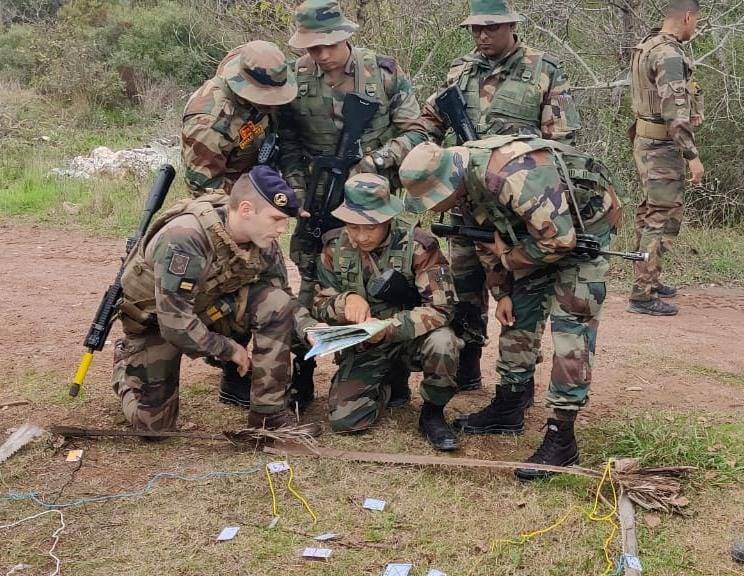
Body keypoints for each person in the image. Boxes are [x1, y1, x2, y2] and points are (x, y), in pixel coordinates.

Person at [400, 137, 622, 478]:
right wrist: (503, 289)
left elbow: (560, 241)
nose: (433, 208)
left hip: (584, 230)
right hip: (535, 236)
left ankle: (562, 437)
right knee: (518, 313)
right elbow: (487, 238)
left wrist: (511, 257)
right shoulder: (465, 184)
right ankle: (510, 405)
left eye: (435, 198)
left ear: (451, 180)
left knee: (571, 328)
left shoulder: (511, 175)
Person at [420, 0, 581, 393]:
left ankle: (516, 385)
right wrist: (426, 152)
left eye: (491, 28)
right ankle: (467, 369)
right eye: (475, 29)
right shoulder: (461, 71)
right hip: (466, 204)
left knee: (520, 292)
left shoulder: (544, 70)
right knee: (464, 288)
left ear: (512, 26)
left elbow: (560, 146)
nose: (482, 36)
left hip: (519, 207)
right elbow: (431, 120)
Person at [279, 0, 428, 408]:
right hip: (319, 196)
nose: (321, 55)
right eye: (312, 48)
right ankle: (302, 372)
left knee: (390, 281)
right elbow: (288, 143)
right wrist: (295, 189)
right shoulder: (296, 78)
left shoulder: (382, 73)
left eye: (328, 45)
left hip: (373, 200)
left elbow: (417, 130)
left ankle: (391, 371)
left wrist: (376, 160)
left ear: (346, 35)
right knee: (311, 281)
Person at [112, 166, 320, 434]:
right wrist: (229, 349)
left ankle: (269, 416)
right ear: (246, 209)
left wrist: (309, 327)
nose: (282, 229)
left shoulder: (261, 240)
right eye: (276, 219)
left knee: (274, 303)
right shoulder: (185, 238)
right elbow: (174, 324)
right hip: (157, 323)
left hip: (209, 310)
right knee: (153, 428)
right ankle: (123, 364)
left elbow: (280, 296)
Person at [312, 174, 460, 451]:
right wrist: (346, 301)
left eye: (370, 226)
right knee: (346, 421)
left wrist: (387, 328)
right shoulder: (334, 247)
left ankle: (433, 413)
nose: (361, 235)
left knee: (444, 341)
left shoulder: (418, 246)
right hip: (368, 346)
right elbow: (320, 304)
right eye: (353, 227)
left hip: (412, 338)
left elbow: (441, 309)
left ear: (388, 219)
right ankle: (390, 381)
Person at [627, 0, 704, 316]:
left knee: (649, 213)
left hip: (646, 142)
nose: (695, 28)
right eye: (696, 22)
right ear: (687, 16)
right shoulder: (669, 55)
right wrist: (693, 157)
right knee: (661, 217)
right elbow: (675, 113)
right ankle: (642, 295)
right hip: (661, 147)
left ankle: (649, 279)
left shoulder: (648, 44)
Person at [181, 40, 297, 195]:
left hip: (252, 174)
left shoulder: (259, 62)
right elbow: (205, 192)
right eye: (265, 97)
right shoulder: (208, 123)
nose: (272, 105)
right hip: (227, 199)